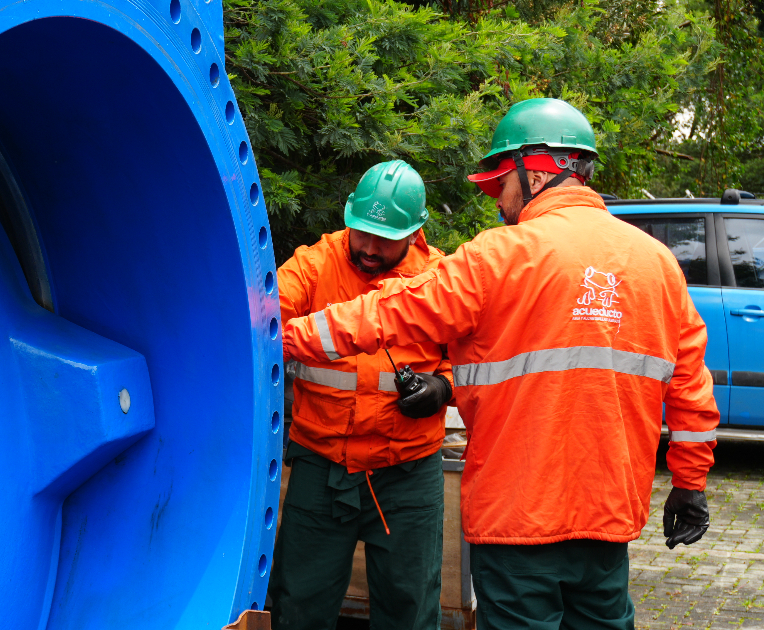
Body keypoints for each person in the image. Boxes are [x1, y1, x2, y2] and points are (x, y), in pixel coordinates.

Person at [281, 98, 717, 629]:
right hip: (607, 520)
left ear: (534, 174)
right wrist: (690, 486)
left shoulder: (500, 256)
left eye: (500, 184)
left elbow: (391, 311)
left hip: (519, 518)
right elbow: (692, 386)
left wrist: (279, 337)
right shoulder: (659, 265)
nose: (497, 203)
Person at [268, 160, 455, 630]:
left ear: (415, 233)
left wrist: (444, 387)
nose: (369, 249)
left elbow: (475, 356)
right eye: (361, 233)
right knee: (299, 606)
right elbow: (262, 325)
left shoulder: (441, 279)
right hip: (320, 464)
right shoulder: (313, 265)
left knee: (410, 608)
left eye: (385, 239)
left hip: (409, 474)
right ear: (348, 219)